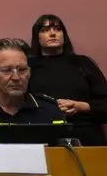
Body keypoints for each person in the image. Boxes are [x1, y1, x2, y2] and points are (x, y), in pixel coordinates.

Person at [29, 14, 107, 146]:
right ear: (37, 37)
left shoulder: (83, 63)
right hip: (44, 137)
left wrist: (80, 106)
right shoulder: (29, 68)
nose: (53, 34)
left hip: (86, 136)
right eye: (45, 30)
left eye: (58, 29)